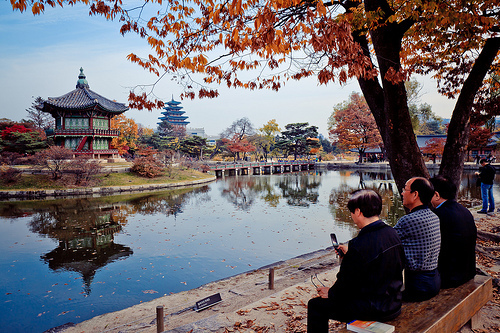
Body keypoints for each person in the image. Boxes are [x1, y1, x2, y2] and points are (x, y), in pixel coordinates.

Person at [307, 190, 405, 332]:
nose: (352, 216)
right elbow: (389, 266)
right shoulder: (392, 233)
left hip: (373, 309)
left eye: (351, 212)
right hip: (393, 303)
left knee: (316, 305)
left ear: (358, 211)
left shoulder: (359, 245)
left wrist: (331, 293)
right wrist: (351, 255)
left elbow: (345, 283)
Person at [394, 177, 441, 302]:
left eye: (405, 189)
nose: (402, 193)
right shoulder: (434, 216)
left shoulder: (409, 220)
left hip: (418, 286)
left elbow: (386, 240)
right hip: (434, 280)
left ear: (415, 194)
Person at [430, 176, 477, 288]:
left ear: (436, 195)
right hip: (468, 272)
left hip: (450, 277)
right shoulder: (463, 210)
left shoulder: (438, 215)